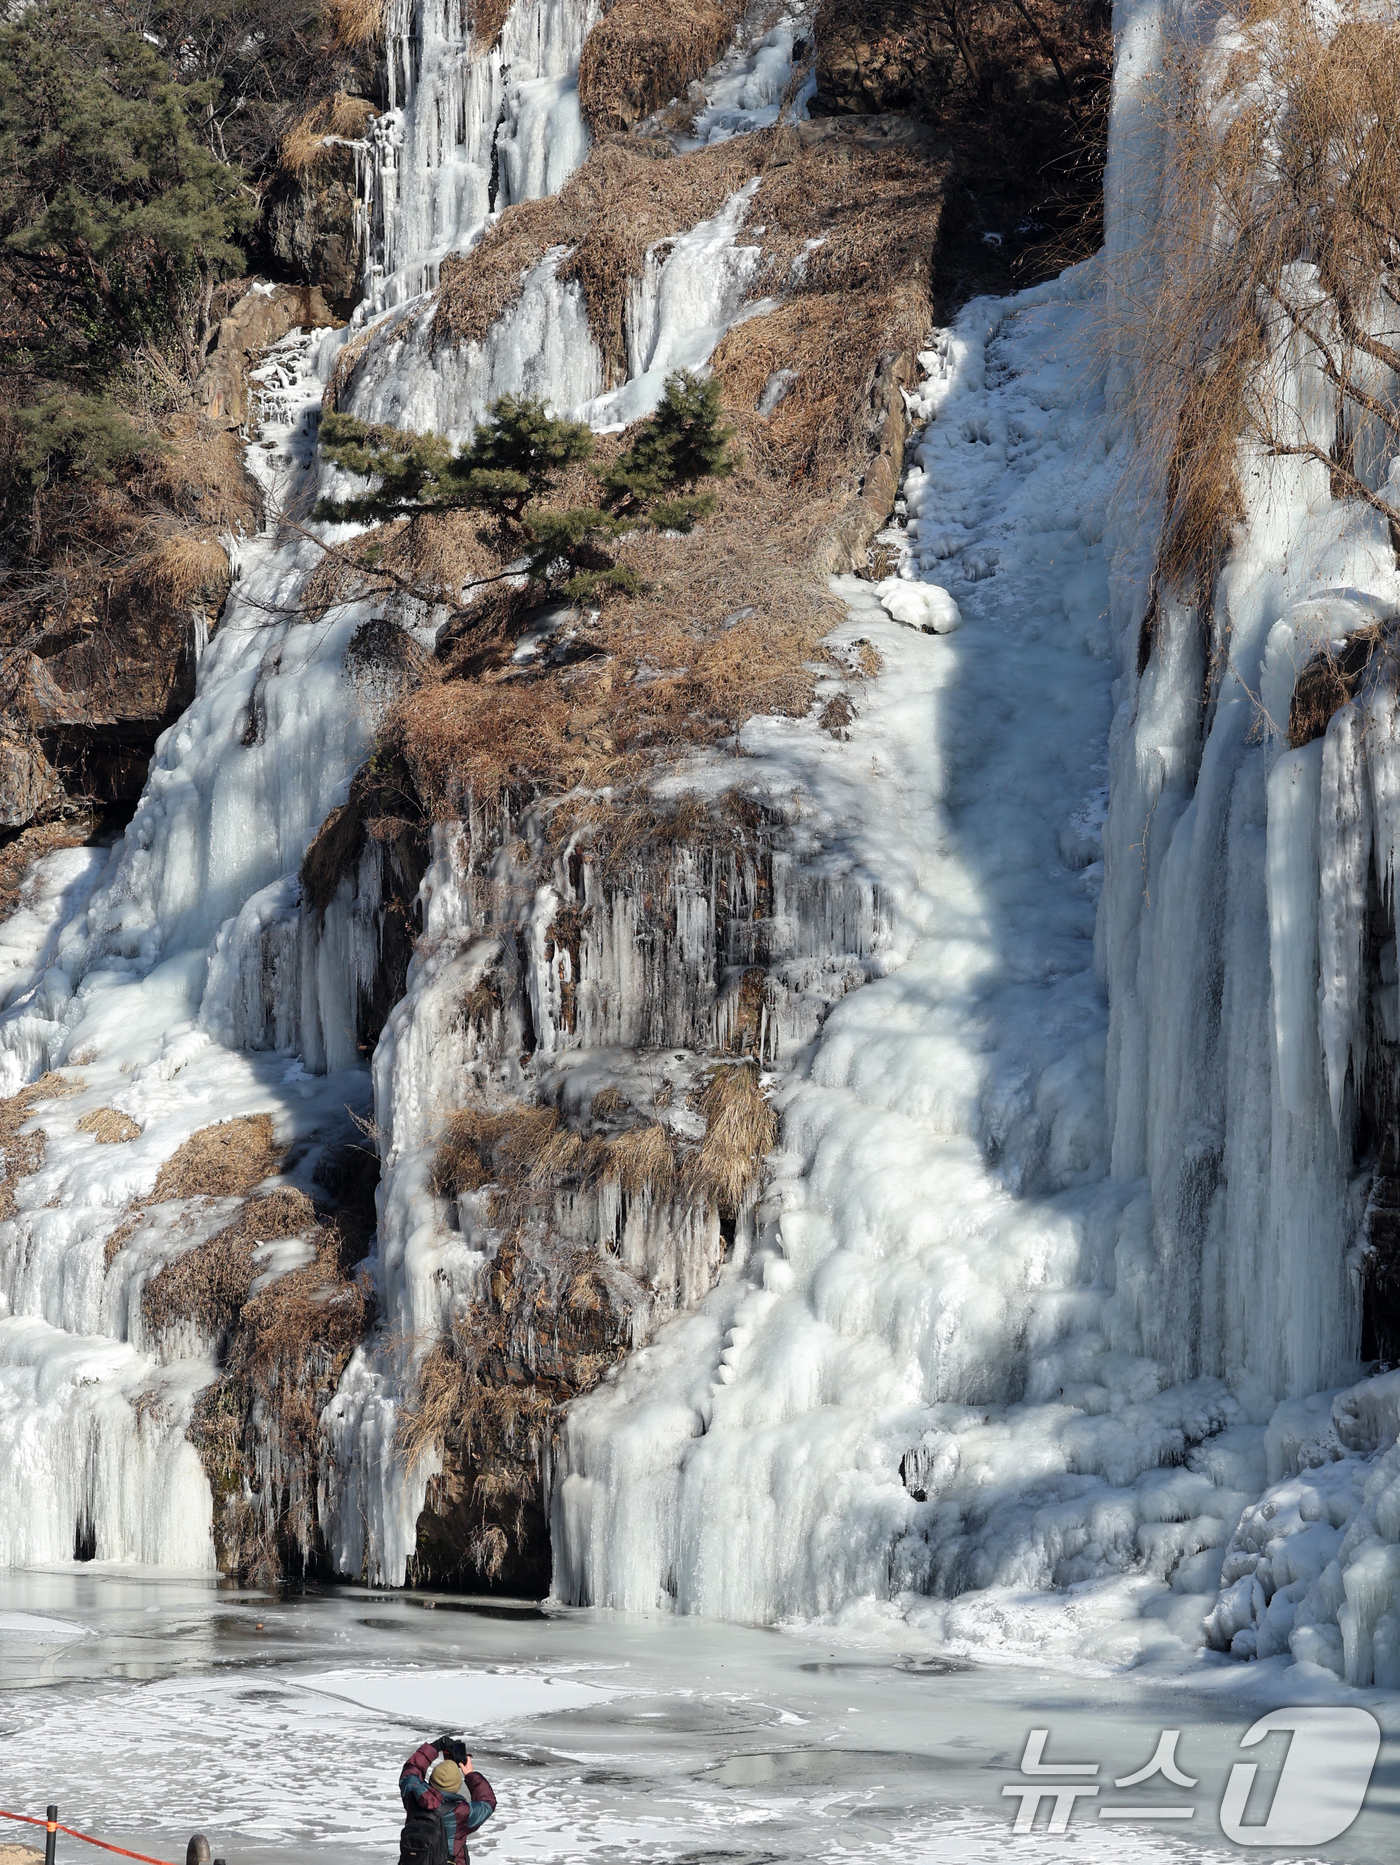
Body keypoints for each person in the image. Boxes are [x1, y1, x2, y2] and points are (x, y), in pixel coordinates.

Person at [399, 1736, 496, 1865]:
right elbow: (487, 1802)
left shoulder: (413, 1795)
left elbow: (412, 1769)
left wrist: (436, 1746)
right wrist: (470, 1775)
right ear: (456, 1786)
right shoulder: (461, 1812)